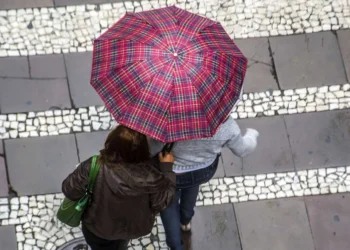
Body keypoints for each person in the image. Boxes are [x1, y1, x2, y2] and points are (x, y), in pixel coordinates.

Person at [149, 116, 259, 250]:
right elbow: (243, 150)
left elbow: (151, 150)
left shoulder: (165, 121)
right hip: (203, 170)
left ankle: (176, 246)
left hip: (171, 170)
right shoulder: (223, 123)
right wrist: (252, 135)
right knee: (192, 187)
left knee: (169, 203)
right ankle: (185, 221)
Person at [62, 125, 176, 250]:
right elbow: (161, 203)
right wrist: (166, 170)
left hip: (97, 227)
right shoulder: (152, 176)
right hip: (129, 229)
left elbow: (69, 189)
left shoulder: (94, 165)